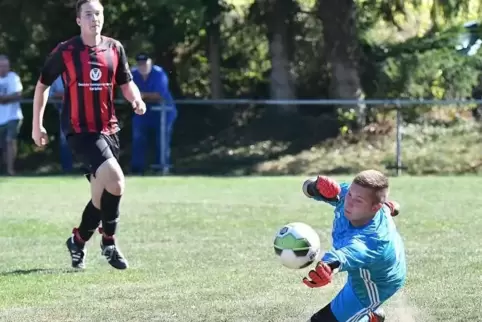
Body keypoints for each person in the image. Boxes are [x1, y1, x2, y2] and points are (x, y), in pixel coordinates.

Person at [31, 0, 146, 270]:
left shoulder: (114, 48)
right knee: (116, 181)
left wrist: (136, 100)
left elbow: (126, 83)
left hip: (108, 129)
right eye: (88, 14)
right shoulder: (66, 50)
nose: (94, 18)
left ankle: (78, 241)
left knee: (100, 197)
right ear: (78, 21)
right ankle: (109, 241)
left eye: (98, 14)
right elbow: (42, 85)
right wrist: (37, 125)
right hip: (79, 131)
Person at [301, 170, 405, 322]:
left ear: (374, 207)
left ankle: (370, 315)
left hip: (375, 284)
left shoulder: (373, 240)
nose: (349, 202)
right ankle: (371, 315)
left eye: (358, 201)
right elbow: (306, 187)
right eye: (350, 194)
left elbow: (344, 256)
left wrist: (327, 267)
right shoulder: (353, 194)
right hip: (364, 270)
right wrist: (315, 187)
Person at [130, 53, 177, 174]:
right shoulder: (133, 74)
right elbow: (127, 92)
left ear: (150, 63)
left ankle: (162, 167)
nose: (142, 66)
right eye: (140, 64)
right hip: (143, 111)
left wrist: (141, 96)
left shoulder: (159, 73)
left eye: (145, 63)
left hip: (164, 111)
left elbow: (159, 95)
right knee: (138, 136)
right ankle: (137, 169)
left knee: (162, 139)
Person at [0, 55, 23, 176]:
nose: (4, 69)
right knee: (3, 145)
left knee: (10, 141)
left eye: (6, 66)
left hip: (13, 116)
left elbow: (18, 94)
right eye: (1, 66)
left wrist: (5, 98)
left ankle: (10, 170)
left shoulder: (14, 78)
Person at [49, 76, 73, 172]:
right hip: (64, 112)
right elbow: (51, 95)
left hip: (83, 112)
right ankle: (67, 169)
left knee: (86, 138)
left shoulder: (81, 71)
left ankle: (89, 169)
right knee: (65, 140)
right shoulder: (56, 77)